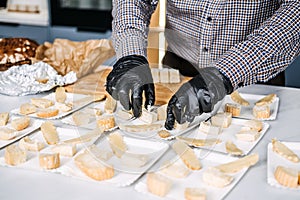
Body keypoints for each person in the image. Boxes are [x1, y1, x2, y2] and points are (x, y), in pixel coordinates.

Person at [106, 0, 300, 130]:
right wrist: (130, 54)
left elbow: (295, 12)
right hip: (178, 69)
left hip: (252, 76)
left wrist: (226, 73)